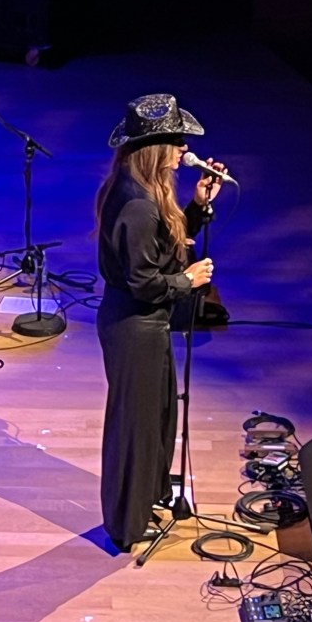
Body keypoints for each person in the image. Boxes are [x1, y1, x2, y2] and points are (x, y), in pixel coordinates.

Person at [94, 94, 226, 553]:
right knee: (135, 426)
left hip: (145, 323)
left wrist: (197, 208)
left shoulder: (142, 190)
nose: (183, 150)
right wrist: (188, 281)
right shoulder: (138, 204)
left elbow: (159, 247)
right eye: (176, 141)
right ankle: (125, 525)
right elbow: (144, 281)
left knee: (157, 417)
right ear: (155, 147)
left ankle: (144, 500)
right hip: (134, 326)